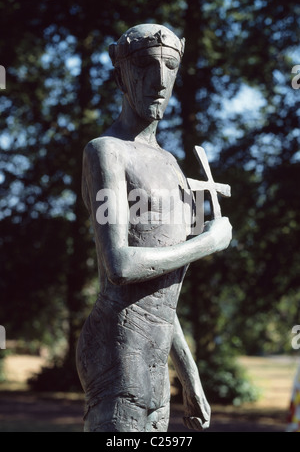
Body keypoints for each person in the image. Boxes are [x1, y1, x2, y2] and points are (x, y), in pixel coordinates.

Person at [76, 24, 232, 432]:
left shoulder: (172, 166)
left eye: (170, 67)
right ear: (119, 76)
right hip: (116, 351)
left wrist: (189, 376)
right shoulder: (105, 152)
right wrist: (207, 242)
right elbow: (121, 266)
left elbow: (162, 294)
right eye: (145, 66)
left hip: (156, 359)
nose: (159, 81)